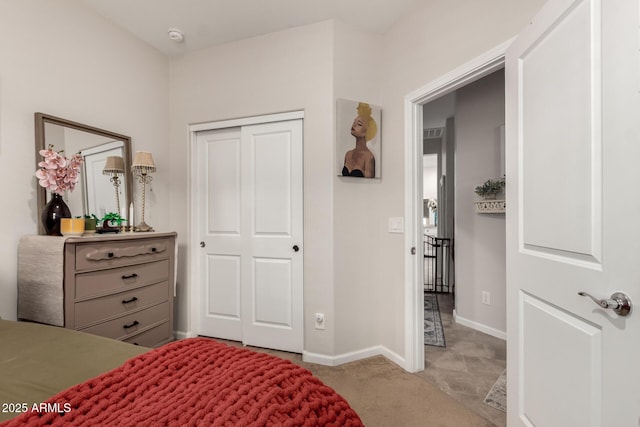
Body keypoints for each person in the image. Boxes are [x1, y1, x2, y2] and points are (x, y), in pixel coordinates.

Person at [342, 102, 377, 178]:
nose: (354, 125)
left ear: (367, 131)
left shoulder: (369, 157)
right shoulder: (348, 154)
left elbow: (369, 187)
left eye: (359, 124)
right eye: (354, 122)